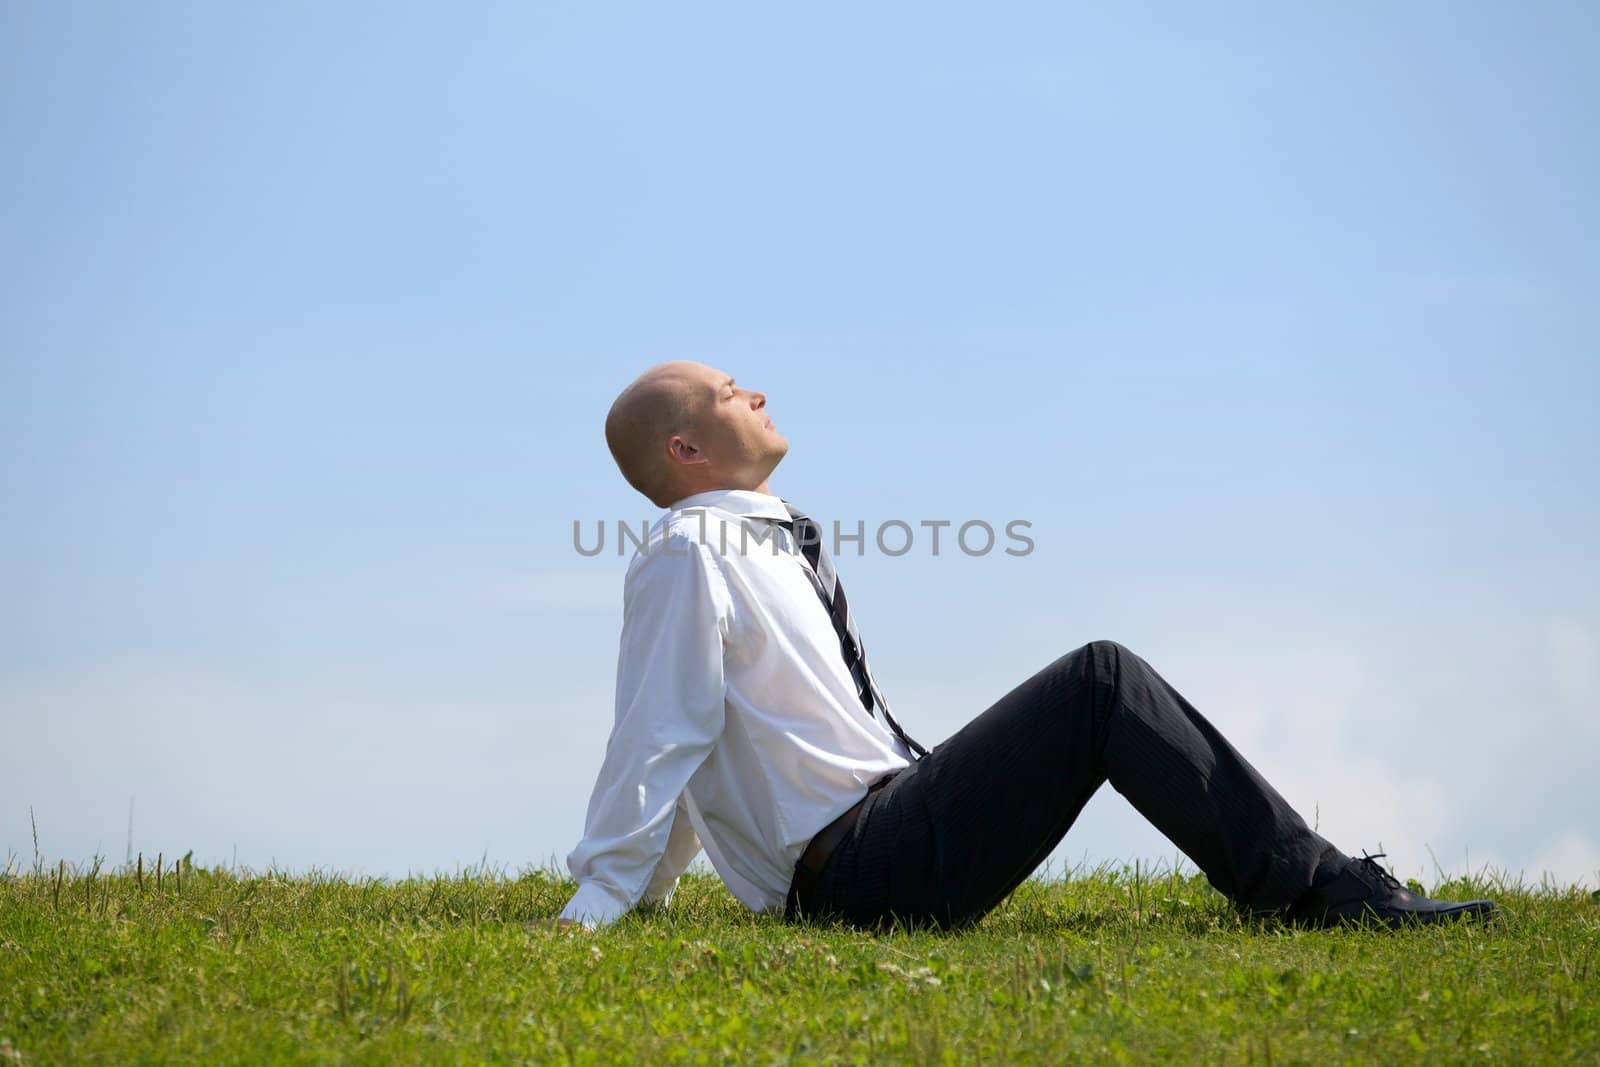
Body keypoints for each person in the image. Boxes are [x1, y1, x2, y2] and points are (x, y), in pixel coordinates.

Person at [555, 360, 1496, 933]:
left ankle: (1314, 884)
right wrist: (605, 896)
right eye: (729, 391)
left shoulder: (761, 538)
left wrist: (656, 891)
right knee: (1101, 681)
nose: (755, 391)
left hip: (885, 832)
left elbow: (701, 732)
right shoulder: (689, 552)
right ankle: (1322, 892)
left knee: (1097, 683)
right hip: (861, 867)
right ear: (685, 451)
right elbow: (661, 730)